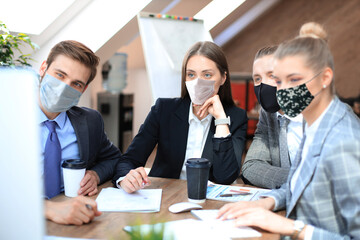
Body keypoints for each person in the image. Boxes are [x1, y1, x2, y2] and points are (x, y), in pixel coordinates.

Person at [217, 22, 360, 239]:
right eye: (280, 81)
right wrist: (268, 202)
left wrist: (292, 228)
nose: (282, 91)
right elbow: (299, 182)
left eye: (293, 79)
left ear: (324, 78)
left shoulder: (344, 140)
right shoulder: (314, 123)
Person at [113, 41, 248, 193]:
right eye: (191, 74)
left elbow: (226, 177)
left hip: (205, 201)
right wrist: (125, 178)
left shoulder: (236, 117)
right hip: (164, 197)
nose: (197, 82)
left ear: (223, 78)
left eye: (207, 74)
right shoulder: (164, 109)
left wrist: (221, 121)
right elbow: (129, 160)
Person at [39, 40, 121, 225]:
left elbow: (114, 159)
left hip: (76, 219)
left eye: (76, 84)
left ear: (83, 90)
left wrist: (95, 174)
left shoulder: (90, 120)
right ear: (43, 68)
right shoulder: (7, 118)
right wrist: (48, 209)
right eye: (59, 75)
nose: (64, 87)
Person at [241, 46, 304, 189]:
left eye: (272, 75)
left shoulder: (322, 115)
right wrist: (300, 181)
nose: (263, 85)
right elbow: (250, 167)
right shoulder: (268, 114)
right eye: (257, 78)